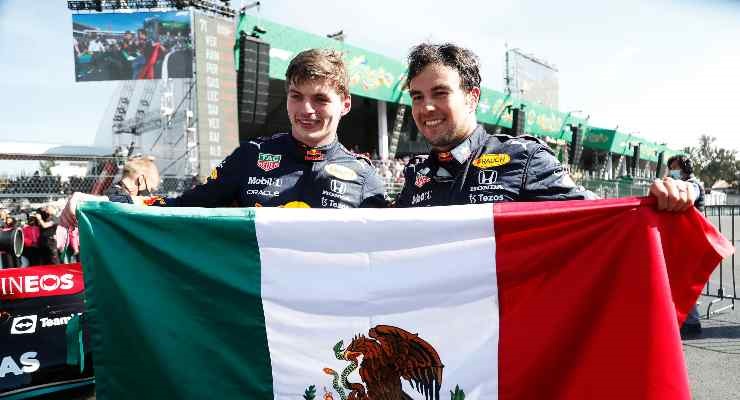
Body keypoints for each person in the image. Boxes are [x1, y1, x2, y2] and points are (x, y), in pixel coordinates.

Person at [61, 49, 387, 228]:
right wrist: (99, 204)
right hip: (258, 320)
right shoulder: (252, 156)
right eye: (296, 96)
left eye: (320, 99)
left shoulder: (363, 175)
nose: (306, 109)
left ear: (345, 104)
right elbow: (182, 206)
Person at [394, 42, 698, 211]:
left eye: (440, 93)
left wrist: (683, 191)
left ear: (472, 98)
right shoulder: (415, 176)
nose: (426, 108)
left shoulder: (524, 159)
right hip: (435, 326)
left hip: (507, 323)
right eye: (417, 96)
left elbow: (601, 216)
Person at [667, 155, 705, 336]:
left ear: (684, 168)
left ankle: (692, 322)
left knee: (688, 281)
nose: (672, 171)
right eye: (671, 168)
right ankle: (685, 320)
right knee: (681, 280)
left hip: (692, 240)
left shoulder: (693, 184)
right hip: (682, 240)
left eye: (675, 168)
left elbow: (690, 194)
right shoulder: (678, 185)